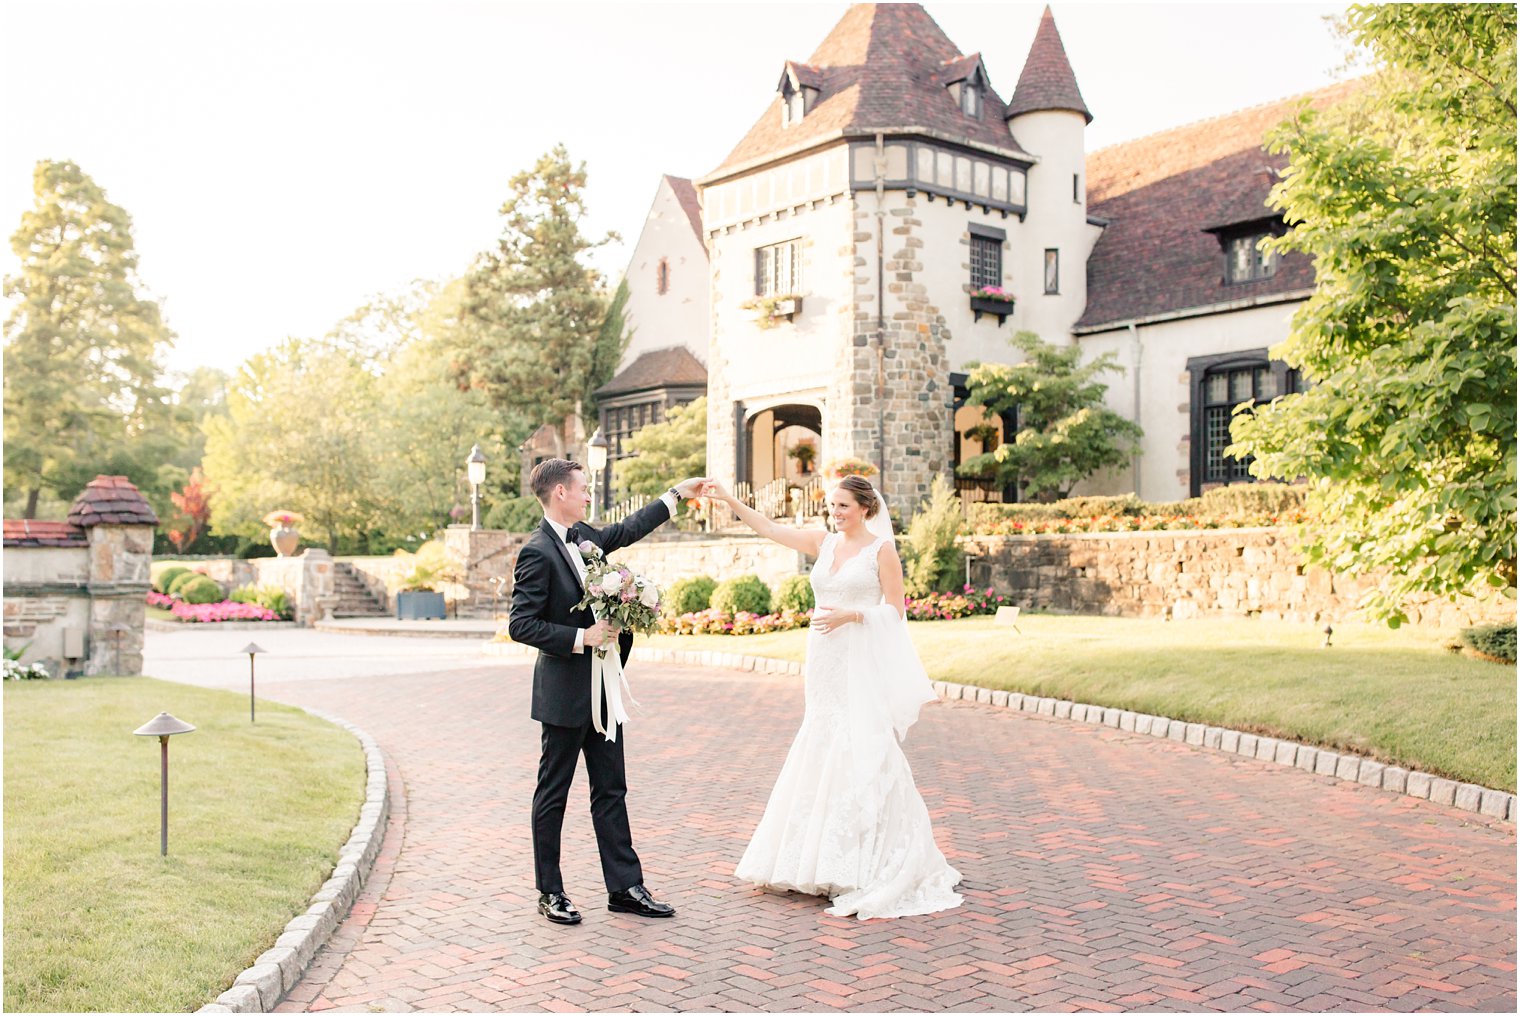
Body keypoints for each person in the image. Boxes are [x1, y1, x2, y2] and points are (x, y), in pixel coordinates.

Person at [704, 475, 963, 920]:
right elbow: (769, 527)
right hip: (823, 658)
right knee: (822, 733)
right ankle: (811, 858)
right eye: (831, 505)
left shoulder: (881, 551)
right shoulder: (822, 543)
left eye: (843, 505)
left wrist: (854, 615)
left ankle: (864, 858)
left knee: (861, 738)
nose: (835, 512)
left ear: (865, 508)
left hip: (858, 658)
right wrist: (728, 498)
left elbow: (896, 611)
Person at [509, 458, 707, 925]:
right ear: (560, 492)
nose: (588, 495)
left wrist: (676, 495)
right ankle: (550, 892)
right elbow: (521, 624)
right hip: (564, 696)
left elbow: (627, 529)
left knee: (612, 790)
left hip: (604, 690)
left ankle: (625, 888)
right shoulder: (536, 552)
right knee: (553, 794)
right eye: (582, 488)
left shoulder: (584, 537)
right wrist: (583, 637)